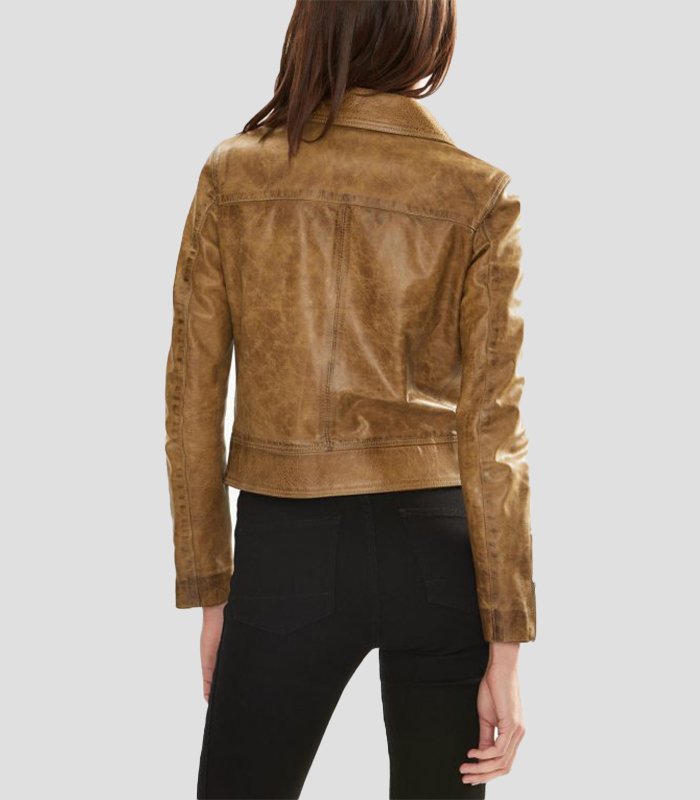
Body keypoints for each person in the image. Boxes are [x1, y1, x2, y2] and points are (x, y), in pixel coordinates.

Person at [164, 1, 537, 797]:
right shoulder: (476, 192)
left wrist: (212, 588)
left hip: (287, 554)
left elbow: (192, 397)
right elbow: (495, 432)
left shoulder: (236, 176)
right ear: (427, 33)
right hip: (439, 555)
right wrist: (506, 648)